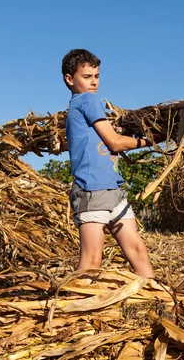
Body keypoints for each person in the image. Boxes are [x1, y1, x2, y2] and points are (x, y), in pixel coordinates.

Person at [62, 48, 154, 278]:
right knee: (91, 262)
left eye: (97, 76)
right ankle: (74, 309)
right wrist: (149, 140)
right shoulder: (87, 101)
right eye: (87, 77)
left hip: (113, 189)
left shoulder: (79, 107)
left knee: (137, 250)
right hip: (93, 190)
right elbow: (114, 142)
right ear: (69, 79)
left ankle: (157, 300)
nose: (94, 82)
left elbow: (110, 135)